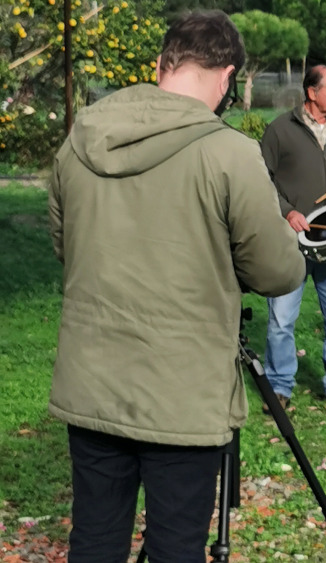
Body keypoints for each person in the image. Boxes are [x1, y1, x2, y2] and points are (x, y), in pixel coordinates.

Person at [46, 10, 305, 562]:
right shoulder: (230, 154)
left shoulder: (80, 141)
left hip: (94, 379)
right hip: (183, 392)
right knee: (177, 544)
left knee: (93, 538)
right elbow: (277, 272)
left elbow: (67, 250)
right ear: (226, 76)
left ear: (162, 64)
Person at [260, 65, 326, 411]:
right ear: (312, 93)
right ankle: (280, 387)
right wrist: (286, 211)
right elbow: (260, 180)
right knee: (281, 320)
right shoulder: (279, 130)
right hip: (290, 242)